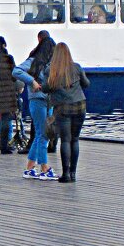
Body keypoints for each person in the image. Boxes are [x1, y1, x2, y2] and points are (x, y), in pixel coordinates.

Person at [43, 42, 90, 183]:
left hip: (63, 108)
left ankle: (66, 174)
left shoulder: (50, 70)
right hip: (80, 105)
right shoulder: (76, 67)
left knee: (65, 140)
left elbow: (46, 88)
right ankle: (73, 174)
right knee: (75, 139)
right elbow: (86, 83)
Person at [13, 32, 57, 180]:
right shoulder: (34, 61)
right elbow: (16, 71)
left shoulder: (41, 62)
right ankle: (44, 168)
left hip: (46, 100)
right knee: (43, 133)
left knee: (40, 134)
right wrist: (32, 82)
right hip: (39, 100)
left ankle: (30, 168)